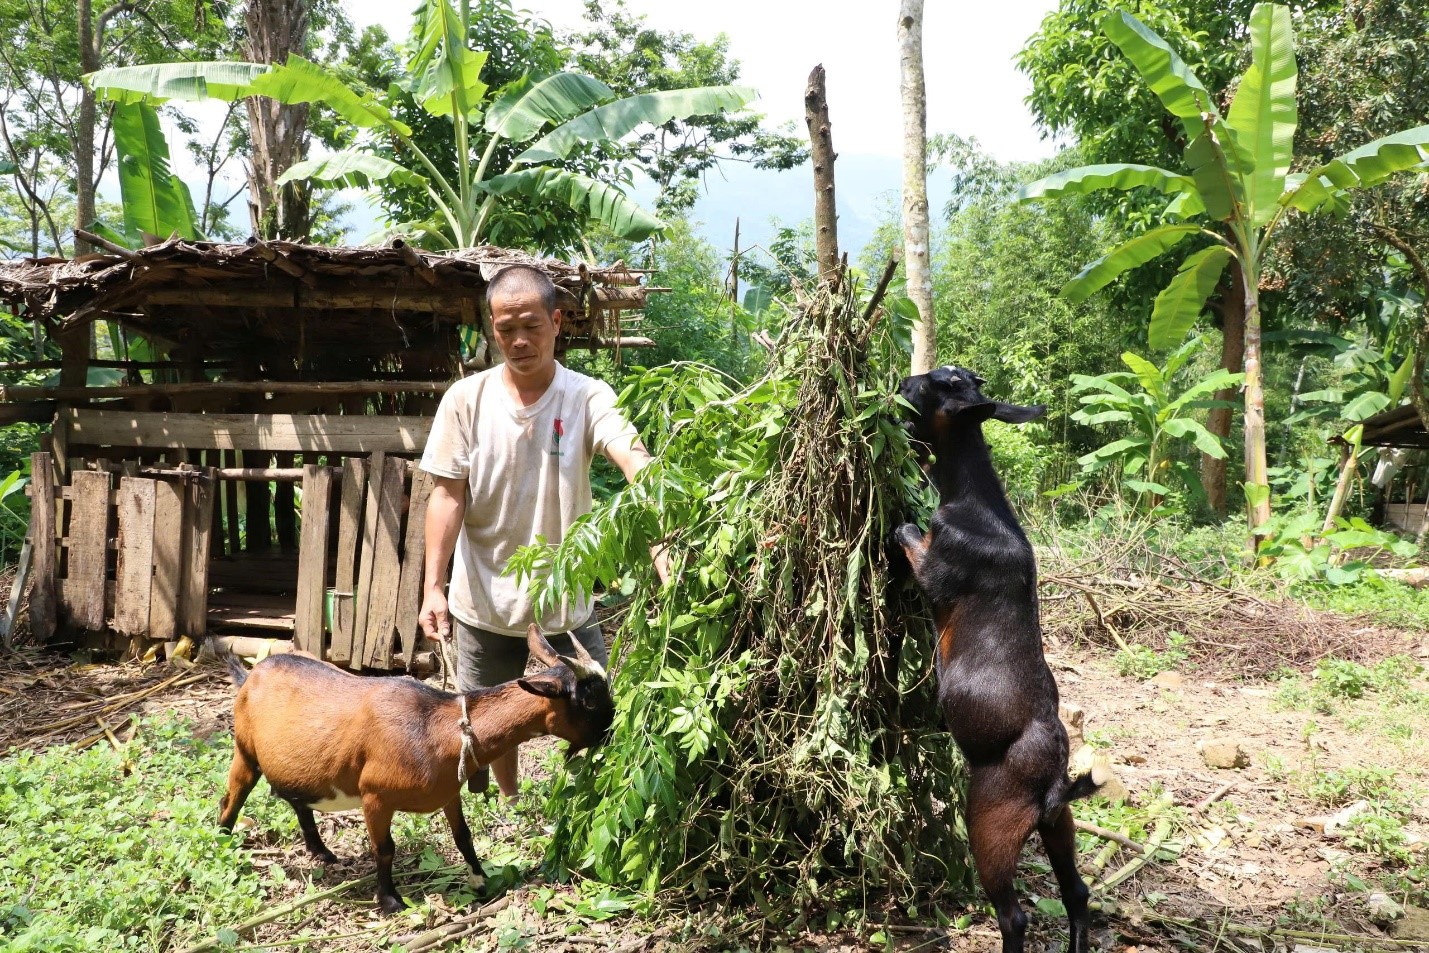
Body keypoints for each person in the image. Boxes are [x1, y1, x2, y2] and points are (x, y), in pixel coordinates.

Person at [418, 264, 664, 798]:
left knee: (598, 711)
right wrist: (433, 585)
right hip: (484, 594)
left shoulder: (587, 396)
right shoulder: (466, 400)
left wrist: (662, 528)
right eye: (506, 329)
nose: (519, 340)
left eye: (531, 325)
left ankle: (587, 803)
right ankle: (507, 802)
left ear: (556, 322)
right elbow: (446, 495)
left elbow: (632, 455)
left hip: (566, 599)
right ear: (492, 328)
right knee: (489, 719)